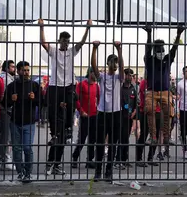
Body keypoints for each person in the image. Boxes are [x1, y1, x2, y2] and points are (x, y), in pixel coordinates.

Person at [38, 18, 92, 175]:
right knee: (57, 132)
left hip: (68, 86)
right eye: (64, 41)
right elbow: (43, 43)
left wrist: (87, 28)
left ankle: (67, 132)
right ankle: (52, 160)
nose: (66, 44)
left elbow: (81, 44)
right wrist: (42, 27)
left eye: (68, 41)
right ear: (59, 41)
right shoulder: (54, 51)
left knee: (68, 116)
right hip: (55, 87)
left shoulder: (70, 52)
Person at [143, 25, 185, 146]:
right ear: (154, 51)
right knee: (150, 111)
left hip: (166, 92)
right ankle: (153, 137)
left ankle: (166, 137)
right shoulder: (149, 60)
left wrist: (178, 35)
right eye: (158, 50)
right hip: (151, 92)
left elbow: (174, 49)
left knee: (169, 113)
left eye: (162, 50)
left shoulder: (168, 59)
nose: (161, 52)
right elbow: (147, 49)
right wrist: (149, 34)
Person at [91, 40, 124, 182]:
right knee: (99, 143)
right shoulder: (103, 77)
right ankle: (98, 171)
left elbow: (122, 67)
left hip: (116, 113)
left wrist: (119, 49)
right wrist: (94, 48)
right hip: (102, 113)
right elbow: (94, 66)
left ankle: (109, 171)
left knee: (112, 144)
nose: (115, 64)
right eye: (112, 62)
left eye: (116, 62)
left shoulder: (119, 78)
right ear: (108, 63)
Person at [4, 61, 40, 182]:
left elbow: (42, 102)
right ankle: (20, 172)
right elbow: (4, 103)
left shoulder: (34, 85)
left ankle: (28, 173)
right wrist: (10, 99)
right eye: (24, 70)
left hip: (29, 122)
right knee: (17, 149)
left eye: (28, 70)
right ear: (18, 71)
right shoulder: (11, 86)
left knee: (27, 148)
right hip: (15, 122)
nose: (26, 73)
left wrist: (34, 99)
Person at [72, 67, 100, 169]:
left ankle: (89, 160)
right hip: (85, 116)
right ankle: (74, 158)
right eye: (95, 72)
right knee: (82, 139)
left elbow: (100, 99)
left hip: (94, 116)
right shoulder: (81, 84)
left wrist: (99, 111)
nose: (97, 74)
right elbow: (76, 99)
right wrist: (81, 111)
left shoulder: (97, 86)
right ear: (90, 73)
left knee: (92, 140)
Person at [115, 68, 137, 169]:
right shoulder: (120, 89)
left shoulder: (133, 89)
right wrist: (127, 109)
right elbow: (120, 103)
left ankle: (124, 160)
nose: (130, 77)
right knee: (121, 139)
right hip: (120, 117)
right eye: (128, 75)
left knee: (126, 139)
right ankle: (118, 160)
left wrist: (134, 112)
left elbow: (136, 103)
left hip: (129, 118)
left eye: (131, 75)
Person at [0, 60, 16, 171]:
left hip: (5, 109)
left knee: (4, 136)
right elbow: (3, 95)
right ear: (6, 68)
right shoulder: (6, 79)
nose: (14, 69)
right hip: (6, 109)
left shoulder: (5, 77)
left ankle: (2, 158)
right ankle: (5, 159)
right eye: (12, 67)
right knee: (6, 136)